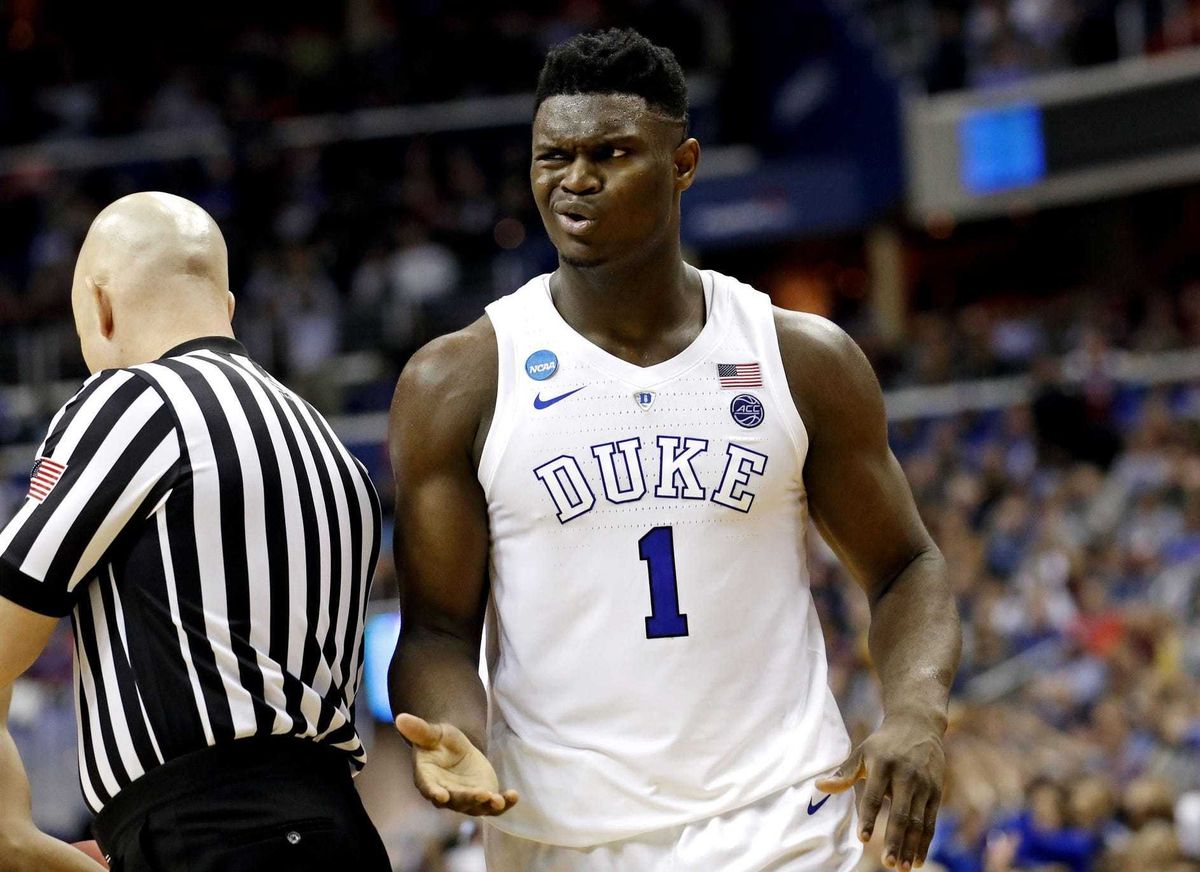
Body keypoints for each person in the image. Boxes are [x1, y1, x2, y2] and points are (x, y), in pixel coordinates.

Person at [388, 28, 960, 872]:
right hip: (562, 838)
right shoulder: (459, 380)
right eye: (553, 157)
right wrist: (455, 734)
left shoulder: (799, 358)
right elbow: (436, 629)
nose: (575, 180)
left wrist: (914, 713)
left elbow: (907, 566)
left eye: (610, 153)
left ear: (684, 163)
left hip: (787, 820)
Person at [0, 192, 389, 871]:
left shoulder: (133, 402)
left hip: (209, 834)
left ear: (101, 305)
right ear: (228, 308)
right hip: (342, 830)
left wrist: (15, 834)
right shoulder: (335, 451)